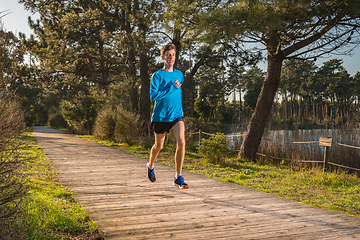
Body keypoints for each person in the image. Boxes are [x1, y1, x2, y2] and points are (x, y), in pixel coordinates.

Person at [146, 44, 189, 189]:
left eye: (173, 55)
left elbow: (177, 94)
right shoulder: (157, 76)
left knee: (181, 142)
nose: (171, 57)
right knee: (158, 146)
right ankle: (150, 165)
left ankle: (178, 176)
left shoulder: (179, 75)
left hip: (177, 114)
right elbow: (153, 96)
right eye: (168, 55)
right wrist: (171, 87)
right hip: (161, 116)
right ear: (163, 57)